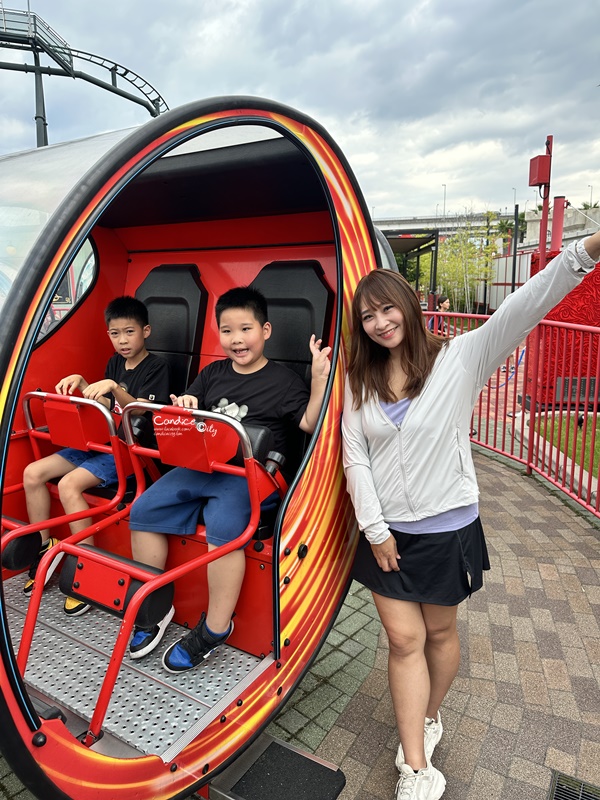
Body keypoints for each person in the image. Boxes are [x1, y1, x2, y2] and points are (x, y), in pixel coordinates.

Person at [341, 232, 600, 800]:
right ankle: (416, 767)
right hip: (386, 535)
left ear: (407, 306)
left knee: (439, 633)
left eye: (387, 309)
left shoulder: (460, 358)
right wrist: (376, 530)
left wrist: (587, 251)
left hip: (447, 530)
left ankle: (429, 716)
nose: (381, 323)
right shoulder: (358, 380)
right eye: (368, 317)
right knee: (402, 640)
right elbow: (354, 456)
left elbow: (525, 304)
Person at [127, 286, 331, 667]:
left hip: (253, 476)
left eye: (246, 329)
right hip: (207, 467)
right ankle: (154, 605)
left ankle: (216, 628)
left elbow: (308, 422)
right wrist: (185, 405)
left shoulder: (285, 381)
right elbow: (188, 413)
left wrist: (319, 380)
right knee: (144, 509)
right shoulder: (212, 373)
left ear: (265, 330)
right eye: (227, 331)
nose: (237, 339)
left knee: (224, 528)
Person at [22, 296, 170, 615]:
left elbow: (140, 410)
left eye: (129, 332)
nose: (122, 340)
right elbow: (105, 407)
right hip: (100, 443)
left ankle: (87, 568)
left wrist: (112, 386)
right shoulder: (113, 363)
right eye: (114, 334)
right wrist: (85, 385)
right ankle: (45, 546)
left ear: (146, 331)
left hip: (130, 452)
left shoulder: (157, 366)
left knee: (68, 486)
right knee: (32, 473)